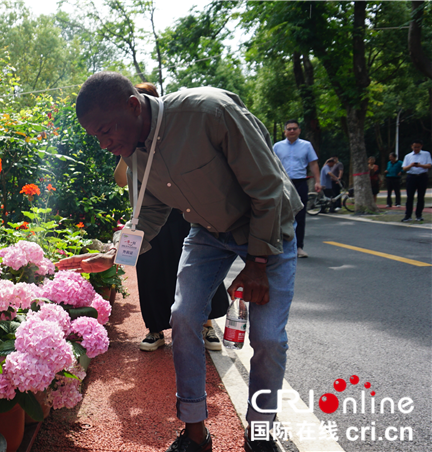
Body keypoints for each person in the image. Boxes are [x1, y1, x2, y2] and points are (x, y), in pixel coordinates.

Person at [57, 72, 302, 452]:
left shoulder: (209, 112)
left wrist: (257, 261)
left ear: (133, 106)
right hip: (207, 232)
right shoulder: (134, 151)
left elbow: (268, 188)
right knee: (184, 316)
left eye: (107, 131)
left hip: (267, 227)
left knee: (268, 338)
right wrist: (111, 254)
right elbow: (147, 216)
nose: (105, 144)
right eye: (97, 137)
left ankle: (259, 434)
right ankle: (195, 433)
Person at [113, 82, 228, 353]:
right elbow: (120, 180)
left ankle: (206, 325)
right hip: (148, 218)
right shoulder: (128, 145)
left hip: (183, 215)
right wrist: (126, 151)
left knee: (193, 272)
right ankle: (155, 329)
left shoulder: (175, 135)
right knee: (151, 272)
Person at [272, 120, 321, 259]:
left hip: (300, 183)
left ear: (299, 130)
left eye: (294, 129)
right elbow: (270, 164)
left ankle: (299, 247)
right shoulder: (277, 146)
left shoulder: (306, 145)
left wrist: (317, 181)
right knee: (279, 214)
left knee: (299, 216)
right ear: (285, 132)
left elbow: (313, 163)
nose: (292, 131)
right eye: (289, 129)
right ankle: (279, 245)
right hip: (282, 183)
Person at [401, 139, 432, 222]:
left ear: (421, 146)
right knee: (410, 197)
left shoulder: (426, 154)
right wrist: (411, 165)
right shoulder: (408, 156)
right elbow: (404, 168)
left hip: (422, 176)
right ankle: (408, 215)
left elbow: (429, 165)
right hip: (411, 177)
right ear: (412, 147)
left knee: (421, 197)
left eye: (418, 147)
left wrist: (420, 165)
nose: (416, 149)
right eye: (415, 147)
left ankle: (419, 215)